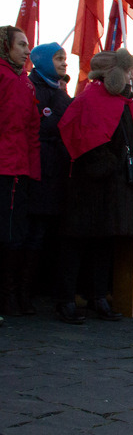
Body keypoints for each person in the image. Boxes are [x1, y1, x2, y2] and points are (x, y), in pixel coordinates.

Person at [57, 48, 133, 323]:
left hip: (114, 187)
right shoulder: (92, 98)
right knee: (77, 242)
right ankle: (65, 300)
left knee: (103, 243)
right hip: (90, 185)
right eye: (129, 70)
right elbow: (84, 139)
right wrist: (108, 163)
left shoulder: (122, 102)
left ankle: (98, 297)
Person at [20, 43, 71, 316]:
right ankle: (22, 293)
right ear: (41, 60)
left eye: (64, 58)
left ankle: (34, 290)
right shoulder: (34, 89)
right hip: (39, 169)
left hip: (56, 171)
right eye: (58, 58)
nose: (64, 63)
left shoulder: (59, 90)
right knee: (32, 233)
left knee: (46, 233)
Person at [0, 26, 41, 321]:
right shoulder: (3, 77)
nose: (28, 50)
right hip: (4, 168)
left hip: (19, 171)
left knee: (13, 237)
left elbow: (32, 133)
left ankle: (9, 296)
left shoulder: (25, 84)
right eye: (22, 44)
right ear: (5, 46)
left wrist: (32, 173)